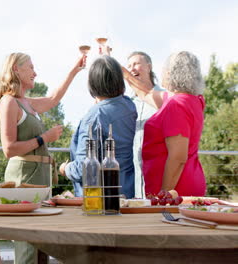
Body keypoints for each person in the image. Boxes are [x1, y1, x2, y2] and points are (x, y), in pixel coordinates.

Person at [0, 52, 86, 264]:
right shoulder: (9, 102)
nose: (35, 72)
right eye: (31, 67)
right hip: (23, 178)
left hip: (39, 179)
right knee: (27, 245)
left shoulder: (27, 103)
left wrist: (74, 71)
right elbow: (8, 149)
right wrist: (45, 137)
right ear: (16, 69)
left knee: (39, 243)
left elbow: (54, 98)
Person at [124, 51, 206, 196]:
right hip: (184, 183)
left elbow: (178, 157)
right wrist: (117, 67)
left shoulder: (177, 104)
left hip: (176, 190)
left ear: (170, 73)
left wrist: (164, 194)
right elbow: (144, 92)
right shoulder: (190, 100)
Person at [59, 55, 137, 199]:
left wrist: (65, 169)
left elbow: (84, 168)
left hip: (100, 200)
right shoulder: (129, 106)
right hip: (128, 192)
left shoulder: (95, 116)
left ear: (93, 83)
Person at [125, 51, 164, 198]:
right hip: (134, 174)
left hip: (158, 171)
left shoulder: (164, 97)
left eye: (136, 64)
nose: (132, 68)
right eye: (129, 66)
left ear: (149, 66)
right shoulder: (128, 102)